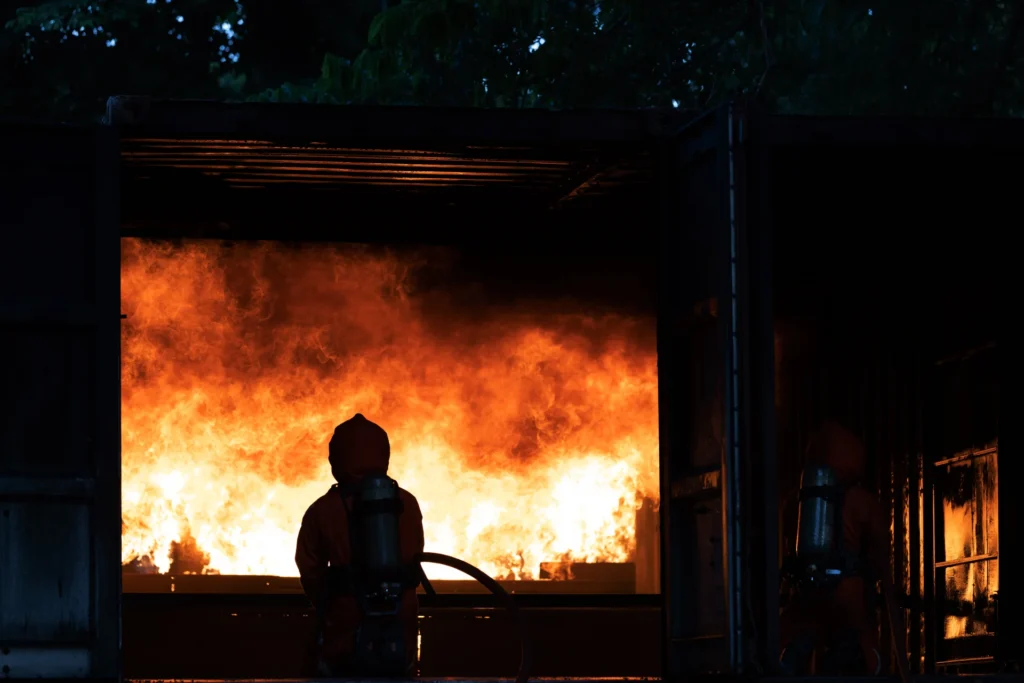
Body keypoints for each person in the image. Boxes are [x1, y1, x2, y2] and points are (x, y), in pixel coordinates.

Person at [295, 413, 425, 676]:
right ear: (384, 454)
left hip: (345, 636)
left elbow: (310, 572)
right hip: (400, 637)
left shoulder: (322, 510)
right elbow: (414, 557)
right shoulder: (406, 503)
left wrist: (334, 603)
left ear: (337, 458)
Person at [778, 419, 904, 677]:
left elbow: (789, 550)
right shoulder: (865, 502)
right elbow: (880, 559)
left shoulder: (795, 501)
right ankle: (850, 658)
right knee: (867, 649)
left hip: (808, 591)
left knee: (794, 639)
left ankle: (795, 656)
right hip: (850, 594)